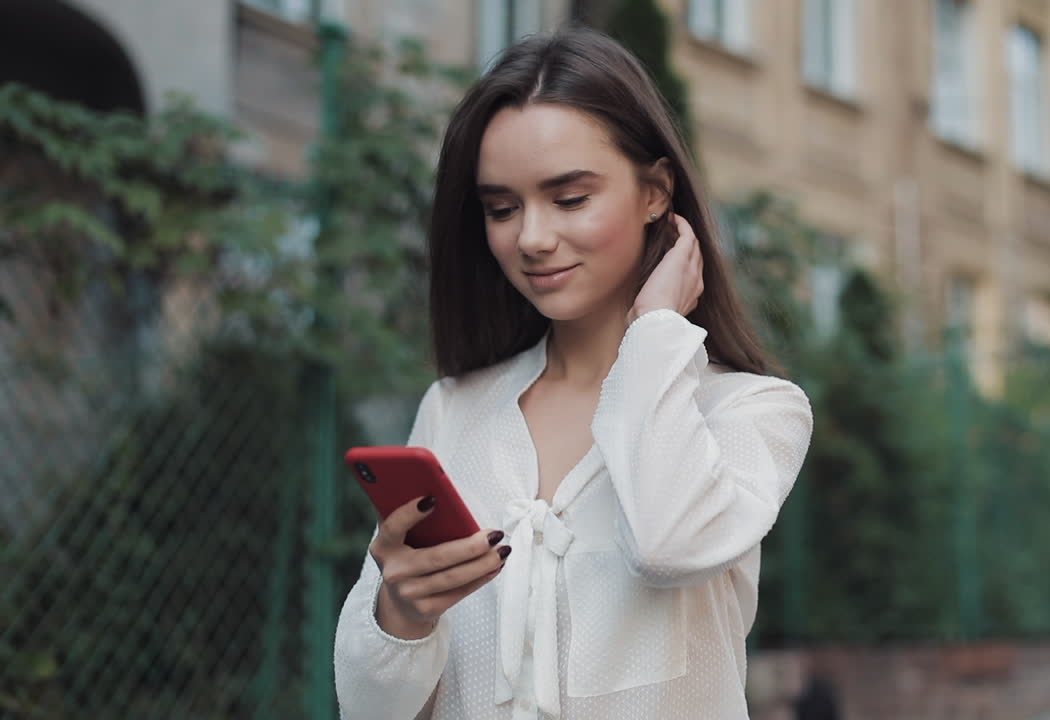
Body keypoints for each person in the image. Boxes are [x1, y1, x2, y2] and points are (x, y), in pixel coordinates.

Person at [333, 26, 812, 720]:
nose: (531, 238)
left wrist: (656, 331)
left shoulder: (749, 411)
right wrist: (399, 615)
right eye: (501, 209)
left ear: (656, 192)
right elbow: (367, 708)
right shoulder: (453, 409)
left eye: (569, 199)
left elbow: (667, 544)